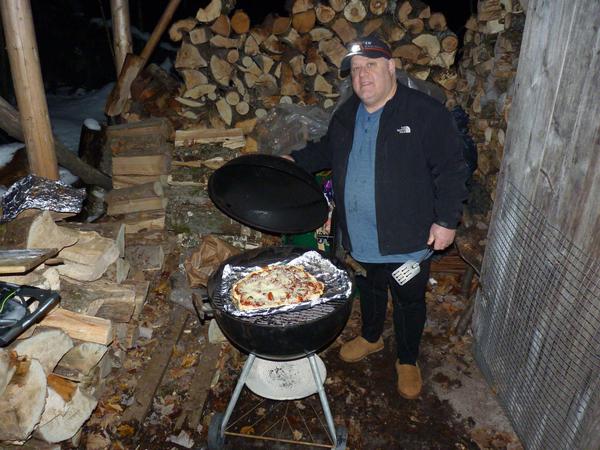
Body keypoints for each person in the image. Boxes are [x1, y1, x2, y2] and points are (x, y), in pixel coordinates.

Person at [285, 36, 468, 399]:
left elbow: (451, 168)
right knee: (369, 288)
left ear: (391, 67)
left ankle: (407, 359)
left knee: (408, 299)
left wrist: (446, 221)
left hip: (407, 236)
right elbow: (325, 150)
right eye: (355, 70)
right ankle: (370, 338)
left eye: (370, 65)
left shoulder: (425, 113)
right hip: (360, 234)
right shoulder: (347, 114)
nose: (362, 76)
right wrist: (290, 162)